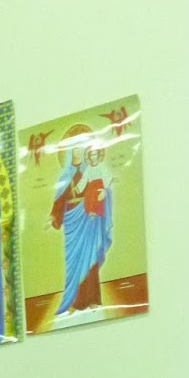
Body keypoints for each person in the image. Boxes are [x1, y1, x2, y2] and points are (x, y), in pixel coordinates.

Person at [51, 128, 114, 316]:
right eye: (74, 148)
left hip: (88, 217)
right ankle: (73, 301)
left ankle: (93, 299)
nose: (77, 151)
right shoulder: (65, 175)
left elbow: (104, 185)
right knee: (73, 263)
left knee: (90, 257)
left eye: (80, 147)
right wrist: (53, 216)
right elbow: (59, 199)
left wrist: (105, 194)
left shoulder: (92, 169)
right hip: (71, 220)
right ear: (69, 151)